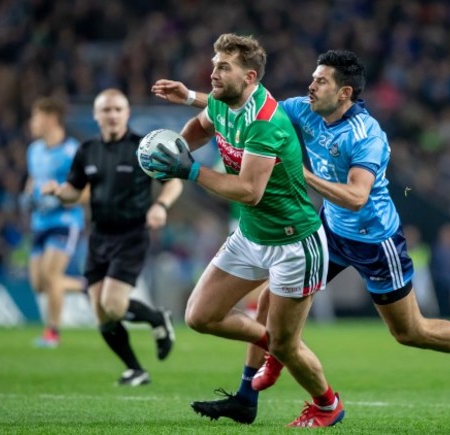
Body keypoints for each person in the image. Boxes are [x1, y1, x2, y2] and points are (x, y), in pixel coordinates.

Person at [151, 49, 450, 424]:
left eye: (321, 80)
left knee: (410, 331)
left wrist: (300, 173)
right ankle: (249, 395)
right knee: (268, 302)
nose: (311, 85)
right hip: (329, 231)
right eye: (313, 77)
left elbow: (358, 197)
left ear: (344, 94)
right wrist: (192, 98)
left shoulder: (365, 135)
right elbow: (255, 103)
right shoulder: (305, 108)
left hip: (374, 240)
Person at [145, 34, 345, 428]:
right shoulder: (222, 102)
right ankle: (276, 351)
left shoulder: (265, 122)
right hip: (252, 237)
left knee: (287, 343)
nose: (213, 74)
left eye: (223, 67)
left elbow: (249, 192)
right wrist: (174, 149)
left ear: (249, 76)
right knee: (201, 316)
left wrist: (190, 171)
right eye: (214, 65)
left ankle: (327, 405)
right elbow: (202, 125)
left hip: (295, 244)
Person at [41, 89, 181, 386]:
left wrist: (160, 205)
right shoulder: (87, 150)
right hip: (99, 236)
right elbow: (73, 192)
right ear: (96, 115)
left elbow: (173, 183)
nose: (113, 115)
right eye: (106, 110)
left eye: (118, 109)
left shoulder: (143, 148)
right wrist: (58, 191)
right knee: (102, 314)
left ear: (127, 113)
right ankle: (135, 369)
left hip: (131, 235)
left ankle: (158, 319)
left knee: (114, 305)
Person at [21, 97, 86, 348]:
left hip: (65, 220)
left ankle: (52, 333)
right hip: (40, 221)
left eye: (35, 117)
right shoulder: (34, 150)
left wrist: (61, 198)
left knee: (51, 275)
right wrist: (27, 196)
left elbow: (85, 188)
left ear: (50, 119)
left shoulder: (72, 151)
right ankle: (86, 286)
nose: (32, 123)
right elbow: (33, 178)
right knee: (39, 284)